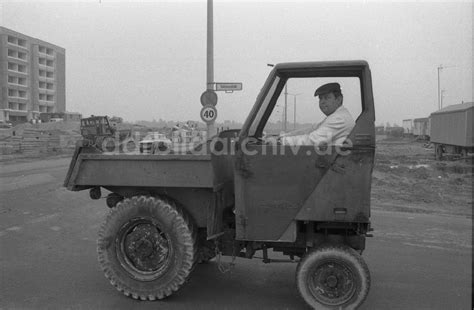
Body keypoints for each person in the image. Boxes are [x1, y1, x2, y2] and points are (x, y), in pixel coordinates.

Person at [279, 82, 355, 147]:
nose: (322, 102)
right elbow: (311, 129)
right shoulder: (335, 116)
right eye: (320, 98)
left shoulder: (339, 119)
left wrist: (281, 142)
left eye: (327, 98)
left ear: (338, 99)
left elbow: (312, 140)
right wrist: (283, 137)